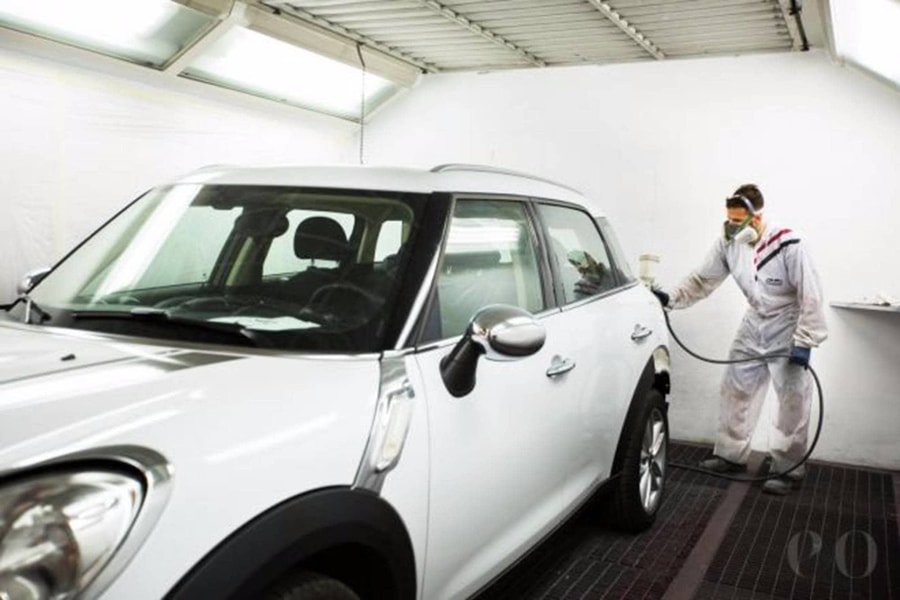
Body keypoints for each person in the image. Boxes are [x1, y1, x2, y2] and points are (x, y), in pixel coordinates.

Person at [651, 184, 827, 495]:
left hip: (788, 322)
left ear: (756, 218)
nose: (732, 227)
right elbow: (702, 279)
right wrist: (671, 298)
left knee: (792, 399)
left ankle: (788, 468)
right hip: (754, 320)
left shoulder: (790, 243)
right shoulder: (728, 243)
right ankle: (730, 455)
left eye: (737, 221)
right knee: (736, 386)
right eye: (729, 219)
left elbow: (810, 295)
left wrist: (805, 340)